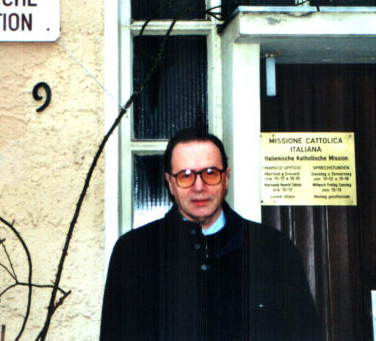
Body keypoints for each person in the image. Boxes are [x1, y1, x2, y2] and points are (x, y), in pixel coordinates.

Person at [100, 128, 322, 341]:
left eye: (210, 173)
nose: (199, 186)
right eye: (186, 176)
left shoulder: (273, 249)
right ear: (170, 183)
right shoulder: (133, 253)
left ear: (226, 178)